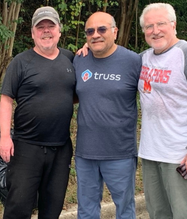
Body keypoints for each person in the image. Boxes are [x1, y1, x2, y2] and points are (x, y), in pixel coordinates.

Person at [138, 3, 187, 218]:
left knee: (186, 215)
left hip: (181, 156)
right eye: (149, 26)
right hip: (151, 154)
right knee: (158, 214)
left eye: (161, 24)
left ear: (174, 25)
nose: (155, 30)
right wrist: (90, 51)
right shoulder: (143, 58)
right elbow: (112, 62)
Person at [0, 6, 75, 219]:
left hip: (60, 148)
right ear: (33, 33)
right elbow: (6, 99)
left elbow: (75, 92)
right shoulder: (20, 62)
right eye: (40, 27)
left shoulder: (71, 59)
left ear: (59, 31)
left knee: (52, 208)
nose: (46, 31)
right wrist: (5, 137)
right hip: (26, 148)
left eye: (51, 26)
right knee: (18, 206)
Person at [73, 11, 142, 219]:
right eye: (90, 31)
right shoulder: (79, 60)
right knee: (86, 210)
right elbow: (72, 95)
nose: (96, 35)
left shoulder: (133, 61)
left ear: (115, 31)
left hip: (120, 152)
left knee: (125, 208)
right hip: (86, 153)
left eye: (102, 29)